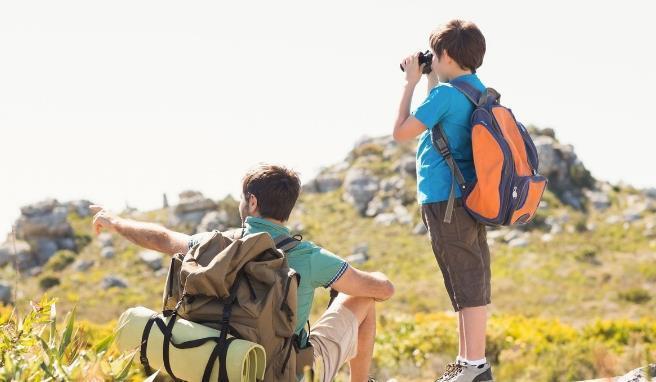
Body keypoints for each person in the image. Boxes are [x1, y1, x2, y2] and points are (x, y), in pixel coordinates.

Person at [91, 163, 394, 382]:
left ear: (252, 201)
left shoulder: (210, 245)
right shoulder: (310, 257)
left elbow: (160, 238)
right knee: (362, 299)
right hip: (286, 374)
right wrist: (374, 277)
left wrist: (115, 222)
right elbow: (383, 290)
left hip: (215, 365)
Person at [392, 19, 493, 382]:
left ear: (446, 55)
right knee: (468, 280)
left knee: (463, 282)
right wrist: (430, 79)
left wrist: (410, 83)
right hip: (471, 199)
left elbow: (401, 132)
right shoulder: (475, 90)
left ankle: (474, 365)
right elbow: (441, 122)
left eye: (434, 55)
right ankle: (467, 362)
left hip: (444, 199)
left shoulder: (445, 96)